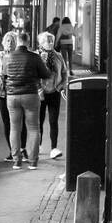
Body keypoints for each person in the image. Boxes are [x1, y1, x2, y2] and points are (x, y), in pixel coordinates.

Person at [4, 29, 50, 170]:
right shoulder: (34, 57)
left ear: (17, 41)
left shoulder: (8, 57)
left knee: (15, 129)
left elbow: (5, 74)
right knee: (34, 128)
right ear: (28, 41)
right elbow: (45, 73)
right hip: (30, 94)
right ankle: (33, 161)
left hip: (12, 96)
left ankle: (16, 161)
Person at [0, 30, 26, 161]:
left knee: (19, 122)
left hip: (18, 92)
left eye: (12, 41)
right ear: (3, 42)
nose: (9, 43)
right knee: (8, 123)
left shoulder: (20, 55)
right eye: (7, 40)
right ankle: (12, 151)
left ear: (16, 43)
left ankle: (22, 149)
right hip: (2, 93)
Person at [37, 30, 67, 159]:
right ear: (41, 43)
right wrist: (38, 89)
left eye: (51, 41)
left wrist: (61, 86)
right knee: (39, 120)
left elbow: (65, 73)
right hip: (40, 93)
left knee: (53, 121)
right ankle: (37, 146)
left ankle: (54, 148)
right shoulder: (36, 56)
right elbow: (33, 74)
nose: (50, 43)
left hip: (54, 92)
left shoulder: (58, 56)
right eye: (47, 41)